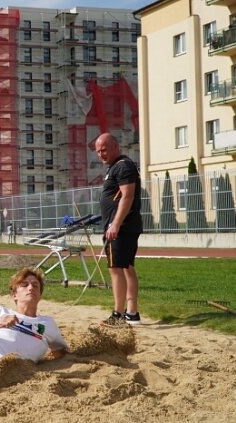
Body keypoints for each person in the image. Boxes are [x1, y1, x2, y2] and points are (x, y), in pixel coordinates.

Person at [95, 133, 143, 327]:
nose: (101, 154)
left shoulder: (123, 166)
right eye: (98, 151)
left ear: (116, 146)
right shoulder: (115, 167)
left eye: (104, 149)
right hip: (121, 226)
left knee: (116, 269)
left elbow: (127, 196)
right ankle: (132, 314)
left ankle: (118, 314)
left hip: (121, 228)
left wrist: (115, 223)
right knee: (127, 268)